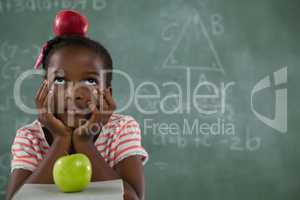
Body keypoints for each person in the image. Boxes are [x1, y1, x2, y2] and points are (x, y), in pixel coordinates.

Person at [5, 10, 148, 200]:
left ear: (108, 95)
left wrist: (84, 142)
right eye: (60, 81)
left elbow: (132, 198)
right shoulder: (30, 138)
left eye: (90, 81)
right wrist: (61, 140)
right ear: (44, 91)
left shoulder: (121, 130)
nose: (73, 94)